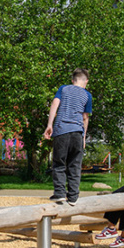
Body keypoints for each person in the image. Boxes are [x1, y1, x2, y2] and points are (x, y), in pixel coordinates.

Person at [43, 68, 92, 206]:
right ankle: (73, 197)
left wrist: (49, 125)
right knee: (75, 165)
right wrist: (83, 137)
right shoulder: (87, 95)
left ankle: (59, 194)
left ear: (72, 80)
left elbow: (54, 104)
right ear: (86, 81)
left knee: (59, 163)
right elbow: (85, 118)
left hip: (61, 131)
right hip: (77, 132)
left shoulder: (63, 89)